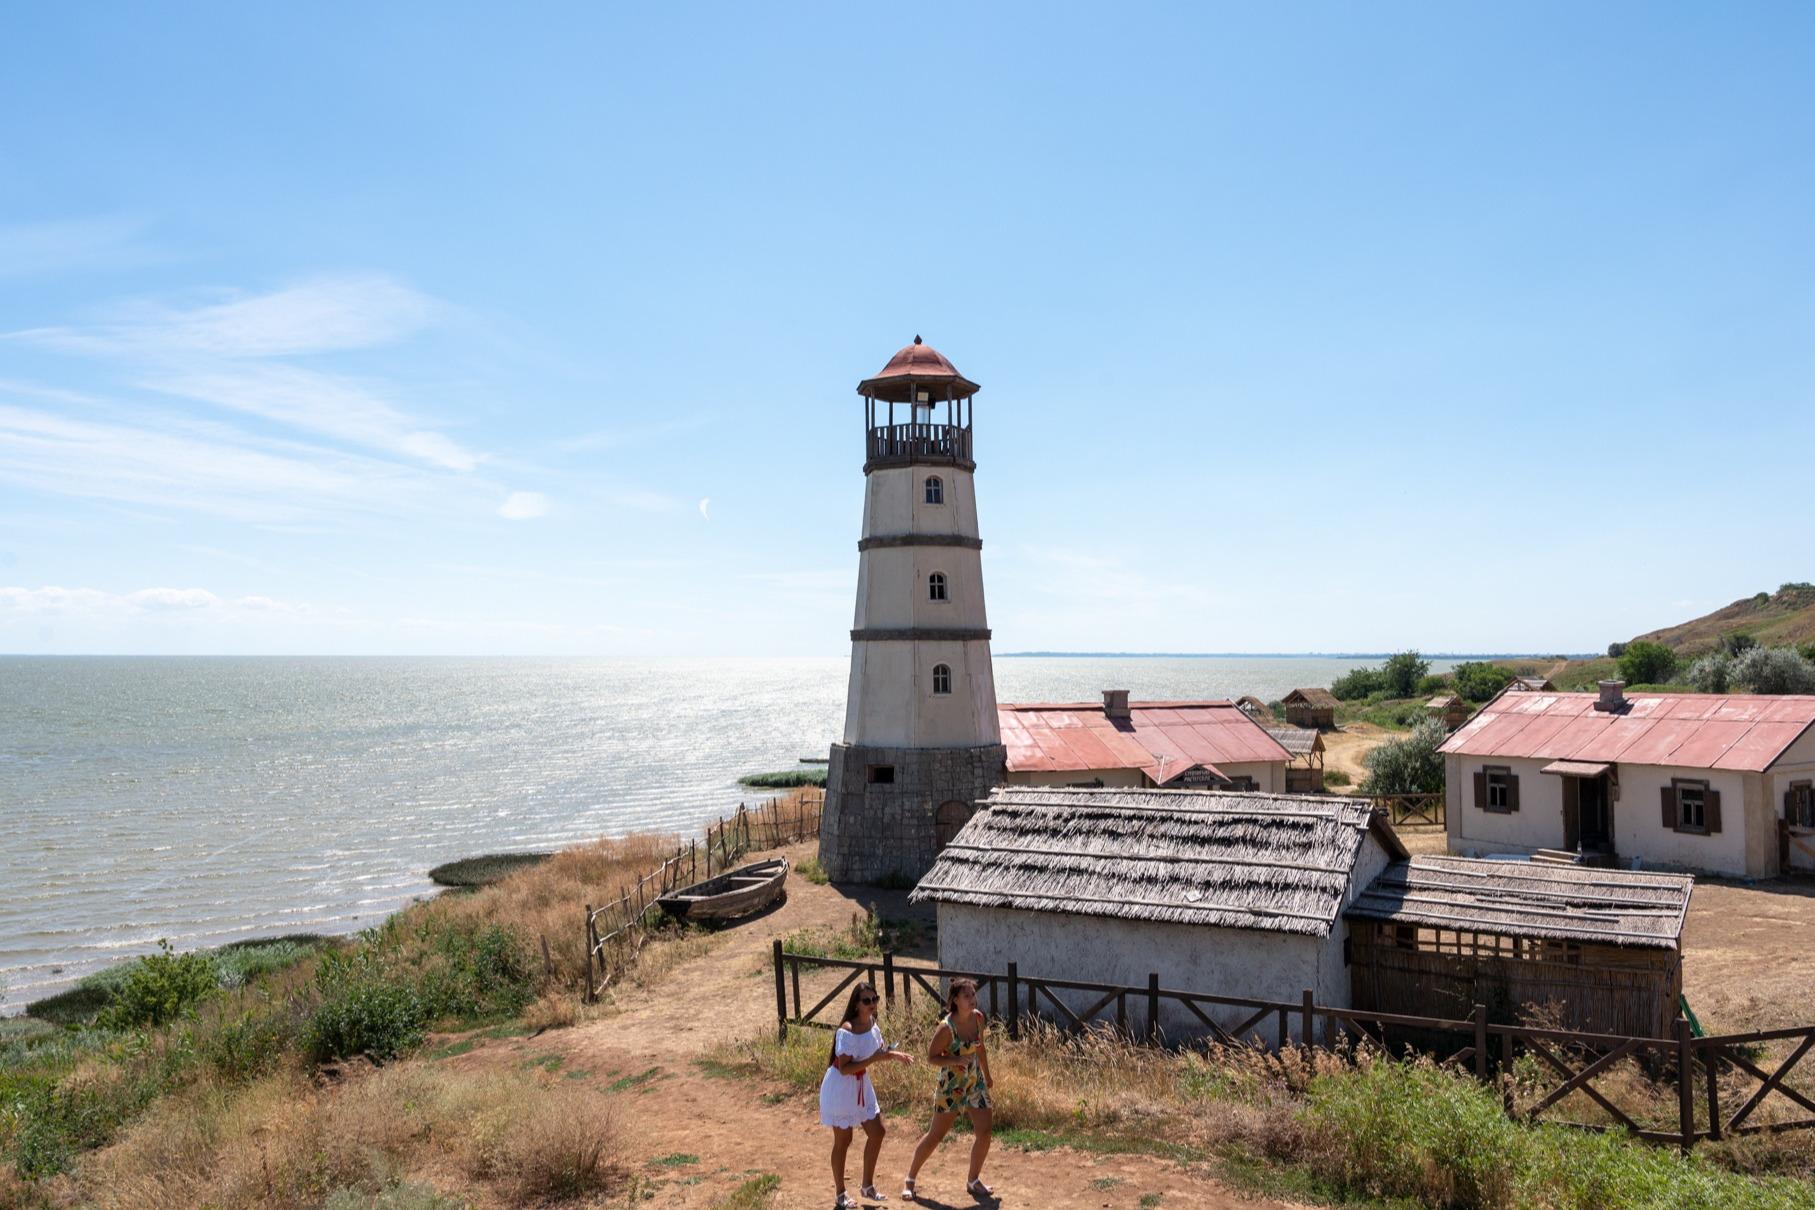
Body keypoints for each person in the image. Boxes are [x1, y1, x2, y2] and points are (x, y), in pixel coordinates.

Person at [819, 981, 913, 1208]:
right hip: (841, 1087)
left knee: (877, 1132)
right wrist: (874, 1059)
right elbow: (844, 1068)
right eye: (867, 1000)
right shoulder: (846, 1030)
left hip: (861, 1084)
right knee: (844, 1140)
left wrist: (896, 1055)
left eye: (875, 999)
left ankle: (867, 1186)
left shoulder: (872, 1023)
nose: (872, 1004)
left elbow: (879, 1051)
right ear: (856, 1004)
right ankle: (840, 1193)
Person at [901, 977, 993, 1202]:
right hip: (951, 1086)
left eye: (973, 994)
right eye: (967, 996)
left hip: (974, 1082)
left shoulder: (978, 1018)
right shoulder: (946, 1028)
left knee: (985, 1131)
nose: (972, 999)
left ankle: (973, 1180)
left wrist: (987, 1075)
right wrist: (955, 1059)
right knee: (935, 1136)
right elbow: (931, 1058)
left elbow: (980, 1048)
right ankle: (910, 1180)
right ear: (954, 1000)